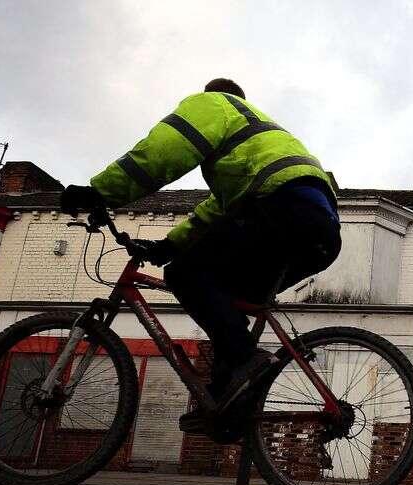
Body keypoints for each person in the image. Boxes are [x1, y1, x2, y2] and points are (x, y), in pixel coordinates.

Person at [60, 78, 341, 438]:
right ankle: (229, 405)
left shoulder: (215, 104)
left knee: (186, 275)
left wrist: (99, 192)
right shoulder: (256, 143)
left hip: (281, 210)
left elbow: (162, 152)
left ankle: (246, 363)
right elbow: (214, 212)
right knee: (227, 303)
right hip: (320, 231)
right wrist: (168, 245)